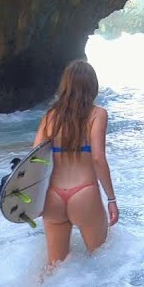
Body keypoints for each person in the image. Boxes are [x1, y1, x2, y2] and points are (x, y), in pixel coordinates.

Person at [34, 59, 119, 273]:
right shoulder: (97, 114)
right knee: (103, 263)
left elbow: (35, 159)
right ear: (92, 86)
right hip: (84, 193)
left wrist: (34, 201)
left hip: (53, 196)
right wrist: (111, 199)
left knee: (54, 269)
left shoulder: (50, 116)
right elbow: (98, 159)